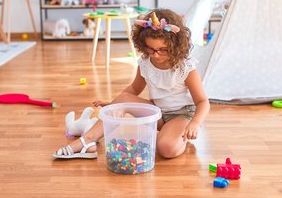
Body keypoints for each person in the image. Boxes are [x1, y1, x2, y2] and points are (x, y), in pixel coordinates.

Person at [53, 8, 210, 159]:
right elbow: (134, 89)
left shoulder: (186, 67)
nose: (155, 55)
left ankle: (180, 136)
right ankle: (86, 141)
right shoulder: (145, 63)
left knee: (166, 148)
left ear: (175, 46)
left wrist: (195, 123)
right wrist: (115, 105)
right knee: (124, 98)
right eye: (151, 49)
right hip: (157, 113)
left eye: (163, 49)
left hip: (181, 115)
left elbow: (203, 102)